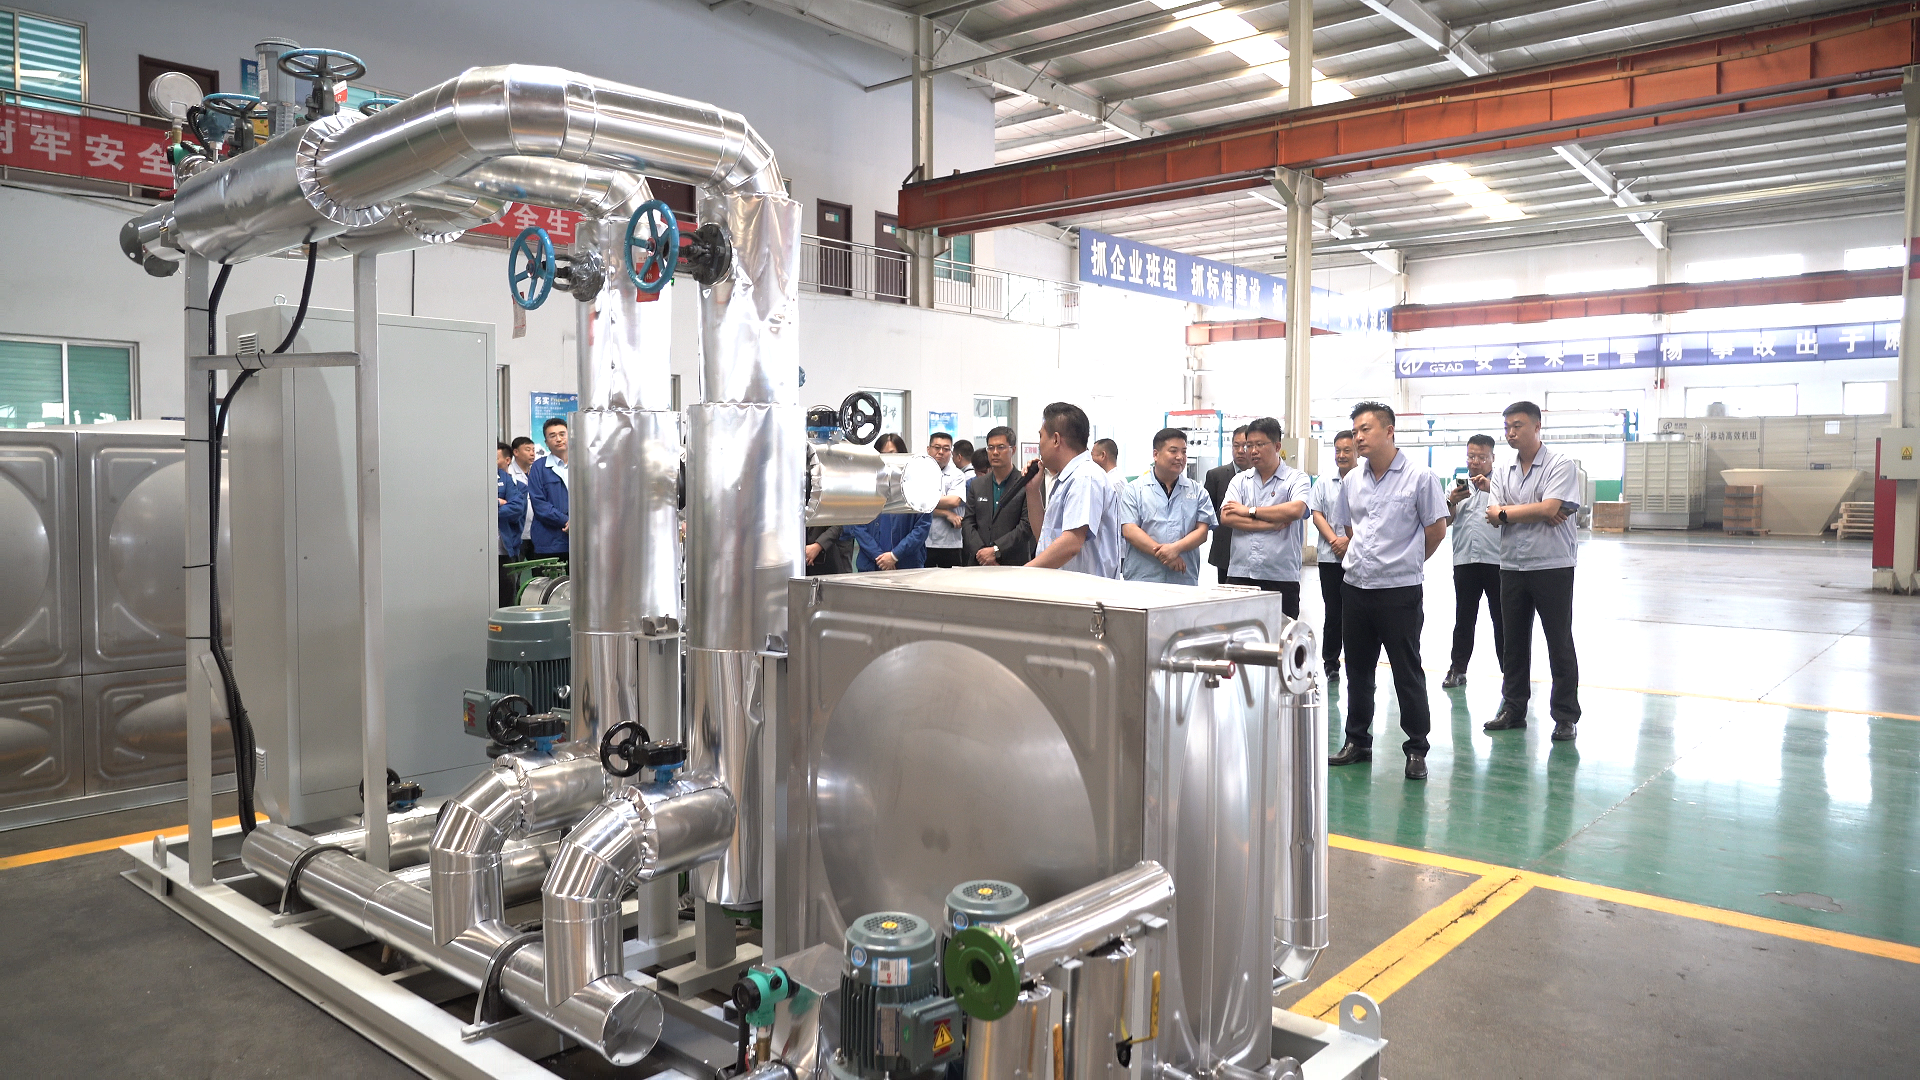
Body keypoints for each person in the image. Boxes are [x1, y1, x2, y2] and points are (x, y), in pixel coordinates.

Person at [1328, 402, 1450, 781]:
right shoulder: (1352, 480)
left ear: (1389, 431)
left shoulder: (1420, 477)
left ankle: (1416, 748)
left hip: (1399, 591)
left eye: (1365, 429)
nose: (1358, 437)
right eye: (1355, 431)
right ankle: (1357, 741)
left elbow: (1436, 530)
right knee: (1358, 671)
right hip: (1356, 588)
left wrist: (1406, 561)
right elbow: (1349, 527)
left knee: (1406, 671)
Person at [1483, 401, 1583, 741]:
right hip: (1512, 564)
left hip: (1552, 564)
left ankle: (1565, 716)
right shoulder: (1502, 470)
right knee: (1513, 641)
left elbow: (1549, 508)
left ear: (1537, 427)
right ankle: (1513, 708)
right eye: (1507, 427)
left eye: (1518, 425)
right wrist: (1536, 510)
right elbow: (1493, 513)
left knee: (1558, 640)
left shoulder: (1560, 464)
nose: (1511, 432)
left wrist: (1510, 513)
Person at [1219, 417, 1311, 616]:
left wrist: (1248, 511)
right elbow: (1227, 517)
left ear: (1277, 446)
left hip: (1281, 576)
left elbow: (1295, 510)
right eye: (1249, 445)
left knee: (1280, 632)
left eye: (1260, 444)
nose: (1253, 451)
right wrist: (1269, 525)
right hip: (1240, 574)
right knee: (1239, 633)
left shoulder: (1296, 479)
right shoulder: (1240, 480)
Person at [1027, 402, 1123, 577]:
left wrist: (1023, 572)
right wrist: (1032, 491)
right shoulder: (1067, 479)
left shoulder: (1084, 477)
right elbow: (1045, 538)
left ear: (1056, 439)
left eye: (1041, 436)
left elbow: (1071, 543)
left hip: (1087, 590)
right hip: (1065, 587)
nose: (1039, 444)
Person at [1443, 434, 1505, 689]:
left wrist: (1493, 490)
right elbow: (1445, 521)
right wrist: (1452, 501)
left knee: (1502, 621)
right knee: (1464, 619)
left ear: (1492, 458)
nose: (1475, 462)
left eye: (1481, 457)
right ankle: (1457, 669)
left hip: (1497, 562)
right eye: (1471, 456)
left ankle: (1510, 674)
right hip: (1465, 561)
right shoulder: (1455, 486)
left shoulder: (1502, 485)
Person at [1120, 428, 1216, 584]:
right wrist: (1166, 555)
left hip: (1183, 578)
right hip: (1143, 577)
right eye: (1173, 451)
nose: (1180, 457)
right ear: (1156, 454)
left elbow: (1202, 532)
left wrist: (1175, 549)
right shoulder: (1134, 490)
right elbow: (1130, 530)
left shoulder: (1197, 491)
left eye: (1184, 452)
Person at [1308, 430, 1356, 680]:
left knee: (1357, 613)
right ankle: (1330, 662)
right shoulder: (1324, 482)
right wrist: (1335, 540)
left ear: (1357, 452)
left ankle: (1357, 662)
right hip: (1330, 557)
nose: (1341, 455)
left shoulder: (1366, 481)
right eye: (1338, 450)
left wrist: (1349, 540)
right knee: (1333, 612)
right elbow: (1316, 514)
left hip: (1357, 557)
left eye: (1347, 450)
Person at [964, 425, 1034, 566]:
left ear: (1013, 450)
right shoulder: (977, 484)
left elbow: (1027, 525)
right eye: (991, 448)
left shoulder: (1026, 483)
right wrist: (982, 553)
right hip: (979, 563)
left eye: (1001, 447)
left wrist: (996, 550)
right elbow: (968, 522)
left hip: (1012, 563)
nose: (995, 452)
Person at [1205, 426, 1252, 585]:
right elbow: (1208, 513)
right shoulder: (1216, 476)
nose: (1240, 451)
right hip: (1225, 550)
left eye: (1245, 446)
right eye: (1235, 446)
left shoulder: (1263, 477)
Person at [527, 417, 571, 563]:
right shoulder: (539, 467)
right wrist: (567, 521)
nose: (558, 439)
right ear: (546, 442)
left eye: (562, 434)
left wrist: (578, 522)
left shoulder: (582, 464)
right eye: (552, 436)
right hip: (549, 543)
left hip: (581, 541)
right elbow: (539, 504)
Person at [925, 432, 971, 567]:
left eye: (946, 449)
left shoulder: (958, 475)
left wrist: (924, 500)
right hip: (924, 541)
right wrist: (945, 513)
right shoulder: (920, 473)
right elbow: (915, 506)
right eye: (937, 447)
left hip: (950, 543)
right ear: (928, 449)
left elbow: (953, 501)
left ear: (951, 453)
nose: (941, 452)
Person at [496, 445, 526, 607]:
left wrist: (491, 511)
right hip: (477, 552)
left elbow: (517, 508)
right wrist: (498, 502)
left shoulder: (504, 478)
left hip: (503, 550)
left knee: (507, 597)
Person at [508, 436, 537, 559]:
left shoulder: (535, 472)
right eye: (527, 449)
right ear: (516, 452)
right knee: (516, 567)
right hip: (517, 533)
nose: (532, 453)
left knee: (539, 568)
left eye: (533, 450)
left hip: (535, 532)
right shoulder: (509, 473)